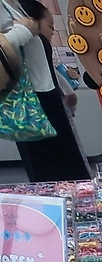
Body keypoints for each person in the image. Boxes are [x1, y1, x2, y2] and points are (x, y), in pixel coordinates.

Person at [2, 0, 89, 182]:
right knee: (52, 172)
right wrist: (24, 30)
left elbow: (42, 63)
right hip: (29, 101)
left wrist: (66, 91)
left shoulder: (16, 5)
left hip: (46, 98)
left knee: (68, 169)